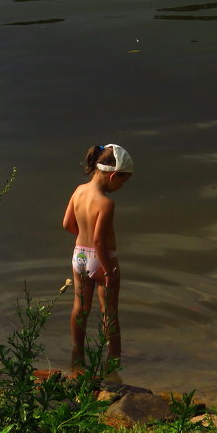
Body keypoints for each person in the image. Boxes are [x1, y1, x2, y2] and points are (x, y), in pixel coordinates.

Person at [62, 143, 133, 372]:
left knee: (80, 307)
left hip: (80, 256)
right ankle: (113, 361)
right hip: (103, 259)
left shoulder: (78, 191)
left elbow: (67, 224)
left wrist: (83, 236)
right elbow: (99, 241)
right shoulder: (106, 203)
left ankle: (77, 354)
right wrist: (108, 270)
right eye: (123, 181)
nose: (122, 185)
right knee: (108, 311)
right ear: (113, 175)